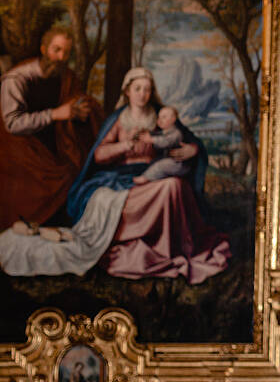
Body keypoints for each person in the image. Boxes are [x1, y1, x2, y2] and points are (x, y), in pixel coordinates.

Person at [0, 66, 229, 280]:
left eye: (147, 89)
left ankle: (168, 246)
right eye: (137, 89)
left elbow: (187, 139)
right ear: (127, 91)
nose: (143, 94)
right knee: (167, 187)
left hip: (154, 175)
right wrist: (124, 146)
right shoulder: (119, 119)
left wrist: (193, 148)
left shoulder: (161, 116)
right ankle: (151, 244)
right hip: (121, 178)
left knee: (174, 185)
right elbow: (98, 155)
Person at [0, 26, 99, 229]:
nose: (61, 57)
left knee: (74, 171)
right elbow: (12, 124)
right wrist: (55, 114)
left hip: (54, 147)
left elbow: (73, 102)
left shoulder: (66, 76)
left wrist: (80, 112)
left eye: (66, 52)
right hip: (21, 150)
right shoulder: (16, 79)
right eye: (56, 50)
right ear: (44, 49)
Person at [131, 106, 195, 185]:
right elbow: (157, 135)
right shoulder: (164, 132)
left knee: (160, 166)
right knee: (154, 162)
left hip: (179, 164)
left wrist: (152, 140)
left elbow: (166, 141)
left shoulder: (176, 133)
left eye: (164, 117)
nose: (160, 120)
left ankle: (145, 178)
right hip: (170, 161)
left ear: (173, 119)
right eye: (159, 117)